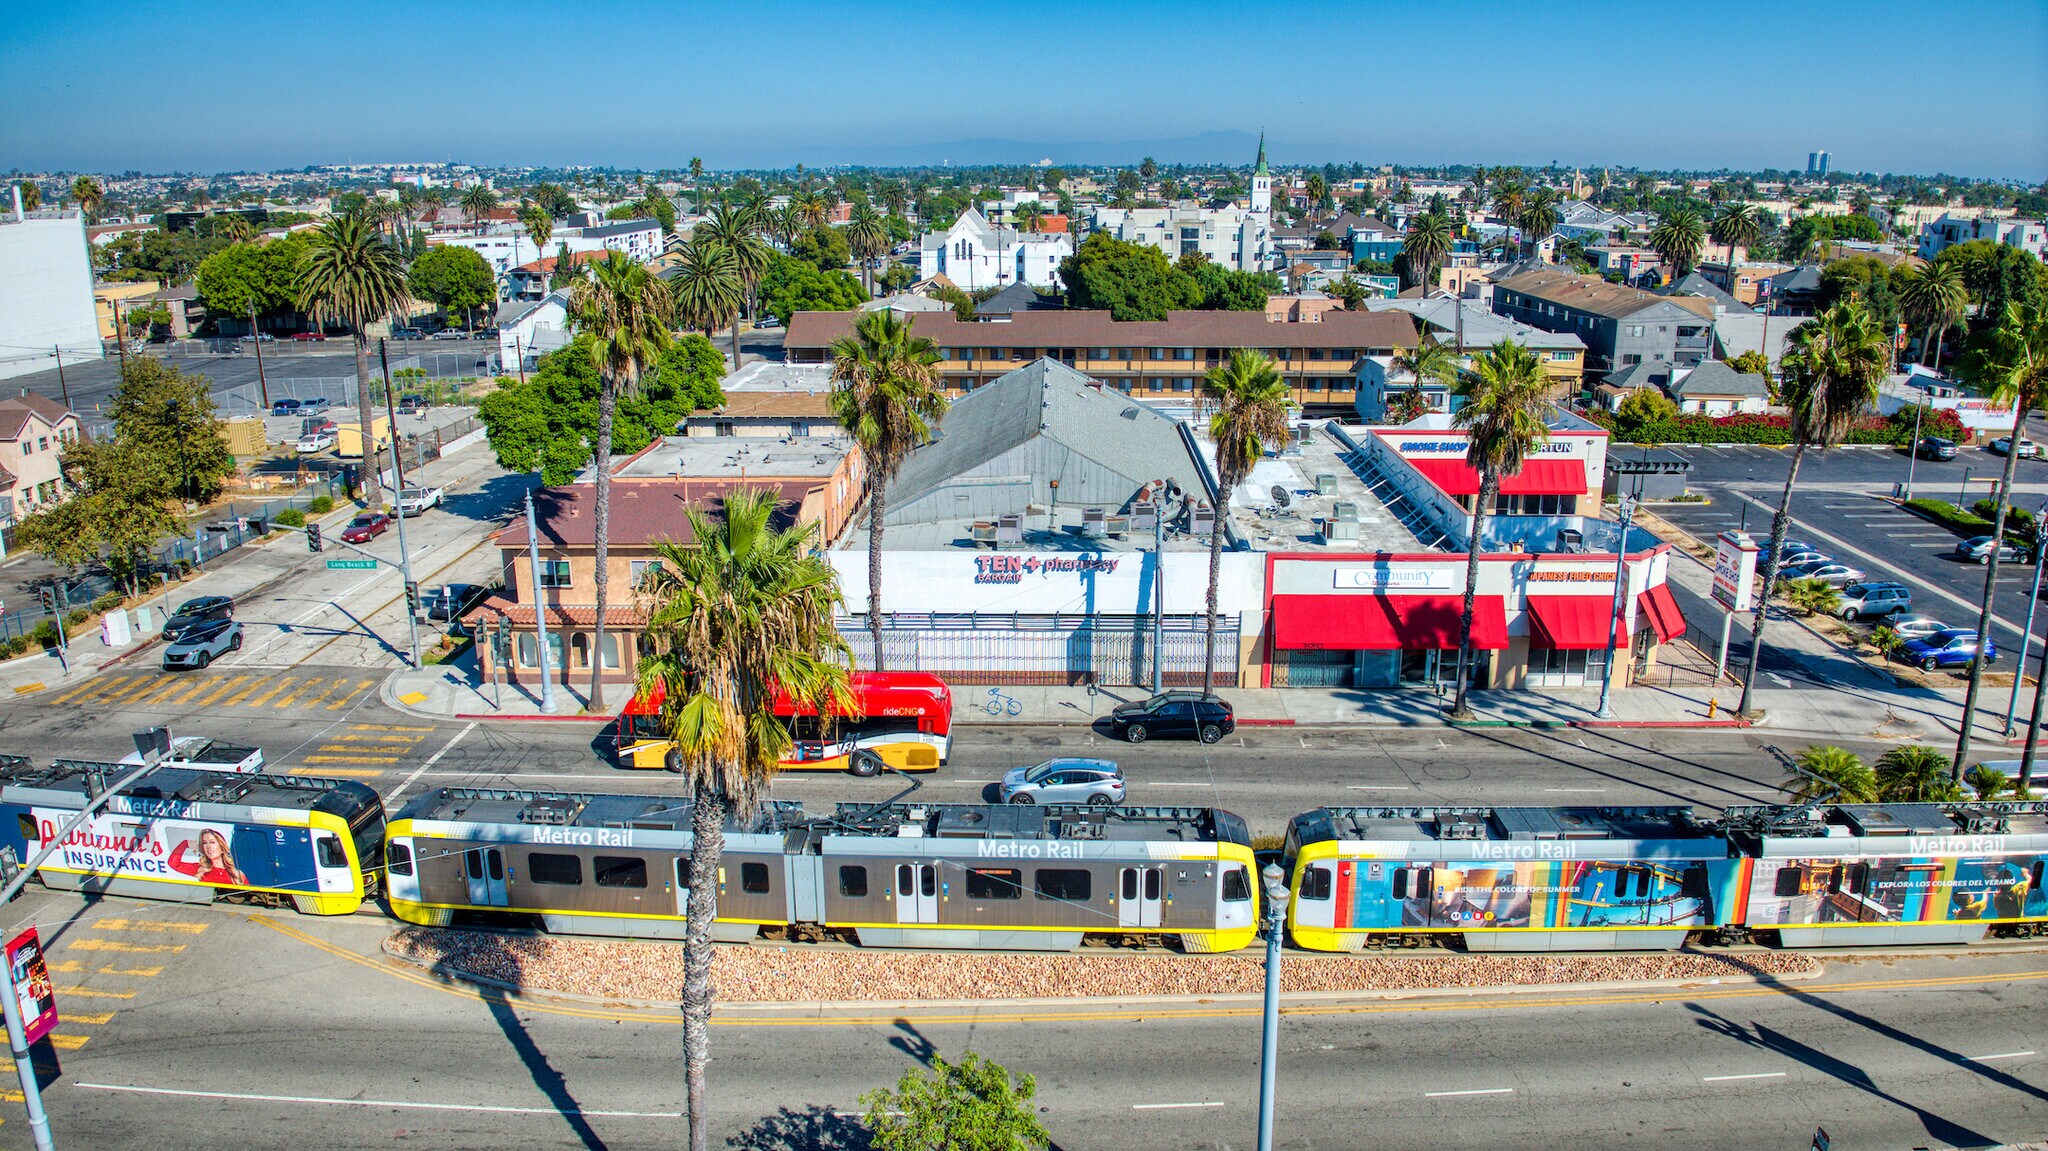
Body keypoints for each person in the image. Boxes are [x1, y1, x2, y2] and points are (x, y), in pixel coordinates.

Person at [169, 828, 248, 887]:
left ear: (222, 847)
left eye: (212, 842)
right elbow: (173, 863)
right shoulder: (200, 869)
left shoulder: (237, 874)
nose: (208, 847)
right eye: (204, 843)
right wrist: (185, 843)